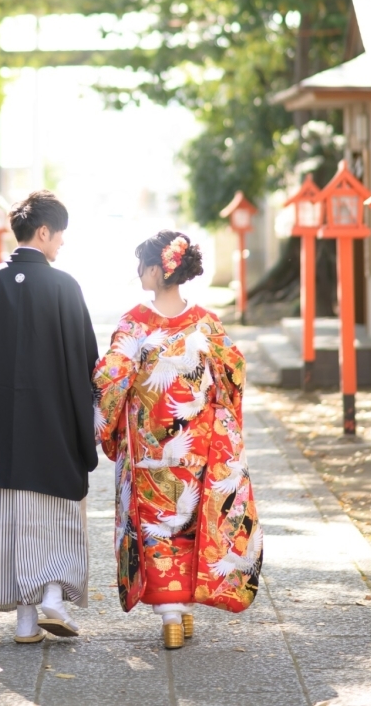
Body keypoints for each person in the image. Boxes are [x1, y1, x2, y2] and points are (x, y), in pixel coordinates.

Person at [92, 230, 262, 650]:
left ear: (156, 269)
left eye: (142, 266)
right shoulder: (206, 322)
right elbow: (233, 373)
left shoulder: (135, 323)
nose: (138, 273)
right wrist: (222, 419)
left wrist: (106, 421)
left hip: (149, 444)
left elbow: (110, 378)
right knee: (190, 519)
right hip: (197, 441)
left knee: (156, 522)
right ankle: (183, 608)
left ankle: (170, 612)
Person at [0, 189, 99, 644]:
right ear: (44, 232)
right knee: (53, 513)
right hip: (53, 427)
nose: (62, 243)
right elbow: (86, 363)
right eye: (61, 235)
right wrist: (89, 418)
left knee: (8, 520)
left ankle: (25, 623)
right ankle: (52, 595)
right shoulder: (64, 286)